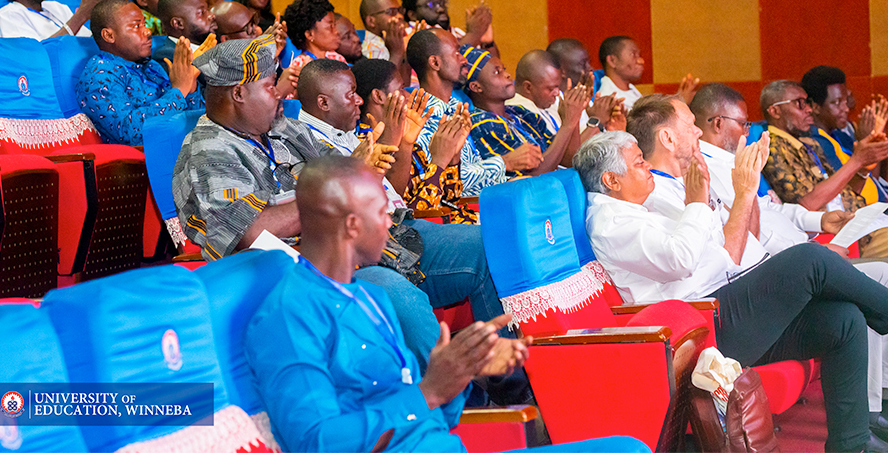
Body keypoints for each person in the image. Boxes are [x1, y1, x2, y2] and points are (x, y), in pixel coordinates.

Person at [245, 155, 647, 453]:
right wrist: (430, 391)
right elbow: (314, 442)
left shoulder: (370, 297)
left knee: (629, 448)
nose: (391, 223)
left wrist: (458, 376)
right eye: (383, 212)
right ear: (352, 225)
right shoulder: (288, 316)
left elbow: (432, 416)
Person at [575, 130, 888, 453]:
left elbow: (712, 255)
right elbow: (682, 259)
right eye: (637, 163)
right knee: (810, 259)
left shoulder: (637, 207)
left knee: (841, 320)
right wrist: (697, 203)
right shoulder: (610, 224)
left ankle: (852, 445)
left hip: (720, 306)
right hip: (699, 334)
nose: (647, 166)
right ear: (611, 181)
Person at [691, 83, 888, 444]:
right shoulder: (706, 173)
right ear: (715, 122)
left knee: (846, 316)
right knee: (816, 261)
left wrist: (818, 223)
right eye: (742, 124)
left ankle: (858, 436)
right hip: (724, 301)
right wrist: (746, 192)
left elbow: (773, 209)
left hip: (762, 274)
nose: (747, 131)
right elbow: (742, 243)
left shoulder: (732, 163)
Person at [293, 59, 518, 369]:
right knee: (399, 294)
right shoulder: (302, 142)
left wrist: (403, 142)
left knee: (490, 245)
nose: (358, 100)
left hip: (401, 227)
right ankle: (444, 396)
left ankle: (508, 383)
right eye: (351, 94)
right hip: (361, 247)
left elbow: (394, 192)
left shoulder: (349, 133)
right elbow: (335, 212)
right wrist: (429, 162)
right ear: (323, 101)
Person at [761, 80, 888, 261]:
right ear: (775, 111)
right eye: (800, 104)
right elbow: (806, 205)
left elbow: (845, 190)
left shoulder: (808, 144)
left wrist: (864, 166)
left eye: (808, 103)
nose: (809, 109)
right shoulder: (772, 148)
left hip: (862, 225)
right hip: (843, 238)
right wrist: (856, 161)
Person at [353, 58, 476, 224]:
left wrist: (454, 155)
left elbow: (450, 202)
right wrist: (439, 162)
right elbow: (411, 216)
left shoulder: (411, 139)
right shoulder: (367, 147)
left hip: (451, 224)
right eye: (402, 89)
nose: (408, 95)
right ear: (378, 96)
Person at [76, 0, 203, 146]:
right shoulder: (100, 73)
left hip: (183, 146)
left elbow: (197, 121)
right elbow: (129, 132)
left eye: (144, 24)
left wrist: (191, 86)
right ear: (109, 35)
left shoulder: (151, 66)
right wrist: (180, 90)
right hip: (144, 162)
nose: (148, 31)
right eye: (136, 26)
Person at [406, 29, 514, 195]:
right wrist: (503, 163)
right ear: (435, 63)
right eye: (456, 53)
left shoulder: (454, 107)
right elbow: (442, 179)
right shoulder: (420, 116)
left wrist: (510, 183)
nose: (464, 60)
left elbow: (473, 167)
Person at [462, 46, 589, 175]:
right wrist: (567, 124)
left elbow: (568, 160)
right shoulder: (481, 123)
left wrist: (574, 115)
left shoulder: (520, 113)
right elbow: (534, 177)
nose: (507, 75)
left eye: (504, 69)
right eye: (497, 72)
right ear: (476, 87)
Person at [802, 66, 888, 206]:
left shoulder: (841, 135)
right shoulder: (818, 142)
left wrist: (873, 139)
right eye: (836, 103)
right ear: (814, 107)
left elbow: (872, 180)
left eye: (845, 101)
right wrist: (867, 144)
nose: (846, 109)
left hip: (880, 209)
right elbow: (848, 193)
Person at [401, 0, 496, 54]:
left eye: (443, 3)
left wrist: (487, 44)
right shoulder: (407, 36)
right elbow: (446, 60)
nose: (441, 9)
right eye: (431, 4)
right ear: (412, 14)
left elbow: (493, 70)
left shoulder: (458, 33)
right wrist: (473, 35)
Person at [284, 0, 346, 74]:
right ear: (309, 34)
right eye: (330, 27)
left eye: (335, 25)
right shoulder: (298, 66)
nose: (336, 31)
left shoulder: (337, 59)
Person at [358, 0, 407, 67]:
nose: (400, 16)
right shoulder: (372, 49)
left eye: (400, 10)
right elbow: (385, 78)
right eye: (392, 12)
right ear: (371, 21)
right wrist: (397, 53)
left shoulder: (391, 41)